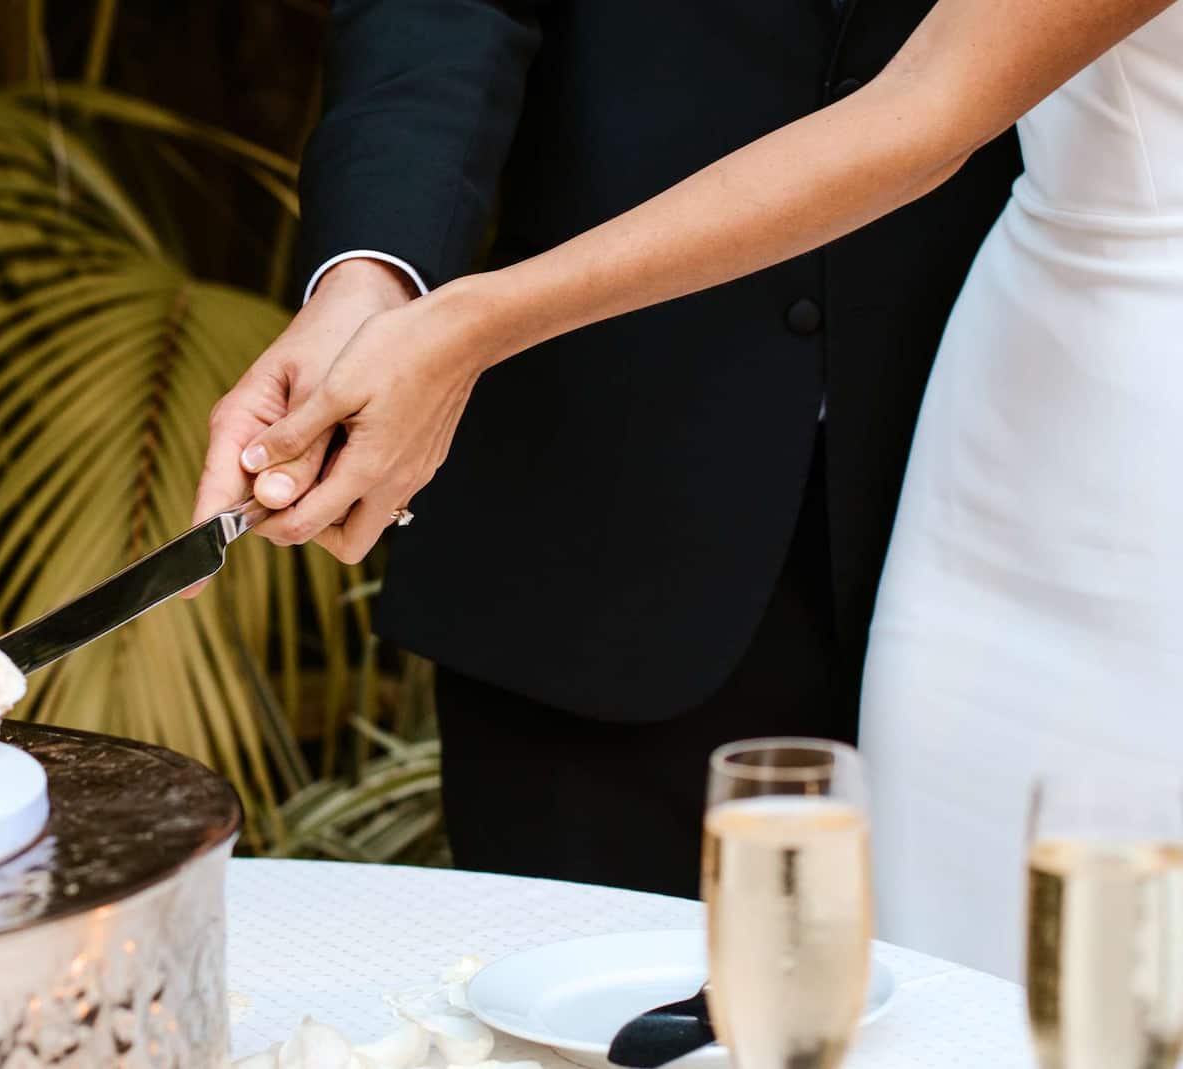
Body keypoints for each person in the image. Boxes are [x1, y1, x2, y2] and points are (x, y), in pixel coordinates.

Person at [201, 0, 1183, 978]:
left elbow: (932, 104)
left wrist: (471, 327)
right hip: (629, 491)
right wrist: (375, 280)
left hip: (1045, 458)